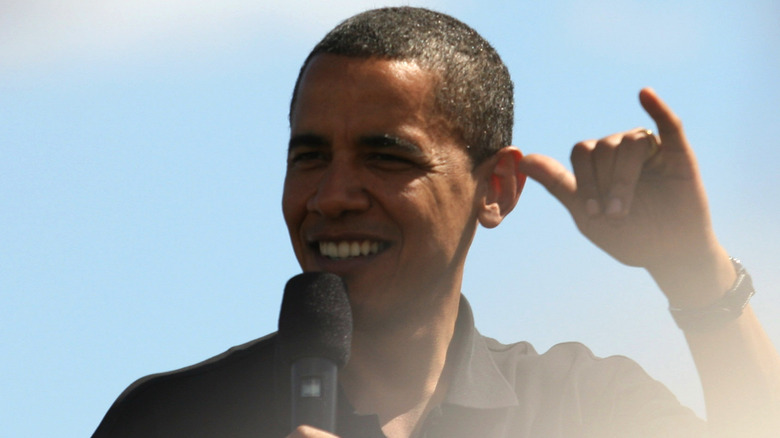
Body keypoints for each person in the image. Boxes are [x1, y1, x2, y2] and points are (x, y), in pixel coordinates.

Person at [92, 7, 780, 438]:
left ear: (497, 190)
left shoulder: (585, 409)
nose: (331, 194)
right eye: (309, 155)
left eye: (385, 157)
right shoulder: (170, 421)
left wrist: (695, 274)